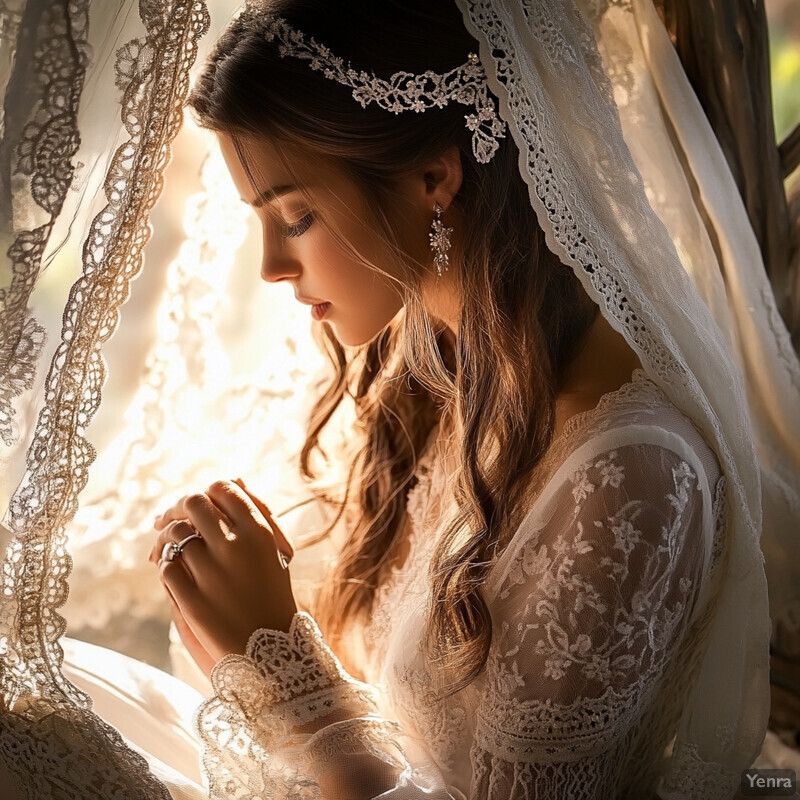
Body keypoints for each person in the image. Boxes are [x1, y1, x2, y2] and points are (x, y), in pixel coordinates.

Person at [5, 0, 798, 797]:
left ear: (434, 178)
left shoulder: (631, 478)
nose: (271, 268)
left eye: (296, 215)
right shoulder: (440, 362)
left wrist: (282, 667)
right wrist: (243, 624)